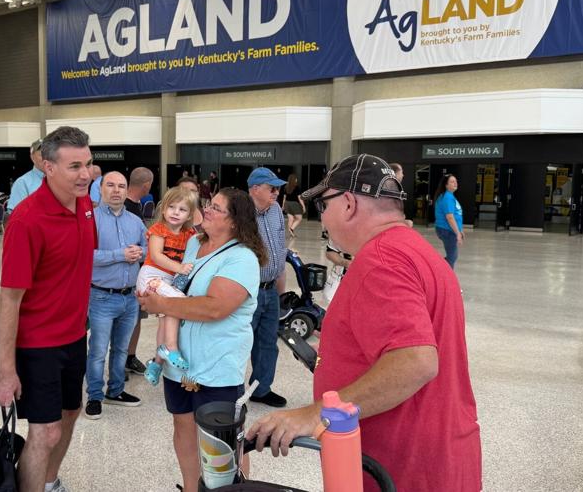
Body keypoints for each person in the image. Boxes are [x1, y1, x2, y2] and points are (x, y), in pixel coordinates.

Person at [246, 154, 481, 491]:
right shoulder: (416, 250)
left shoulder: (381, 260)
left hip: (402, 468)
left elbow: (417, 360)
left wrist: (313, 414)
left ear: (348, 203)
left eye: (323, 205)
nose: (322, 217)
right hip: (440, 456)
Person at [138, 188, 265, 491]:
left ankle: (233, 489)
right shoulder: (194, 243)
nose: (206, 209)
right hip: (179, 364)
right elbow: (177, 281)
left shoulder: (241, 258)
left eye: (216, 208)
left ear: (234, 221)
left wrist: (162, 304)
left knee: (223, 440)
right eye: (209, 204)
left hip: (216, 366)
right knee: (183, 426)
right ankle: (190, 487)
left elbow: (214, 308)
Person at [0, 126, 94, 492]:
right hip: (38, 345)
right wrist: (6, 371)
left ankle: (48, 482)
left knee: (70, 413)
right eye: (74, 166)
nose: (85, 174)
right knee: (46, 431)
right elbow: (9, 299)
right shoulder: (27, 220)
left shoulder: (85, 205)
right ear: (48, 167)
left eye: (88, 164)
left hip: (74, 336)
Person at [85, 171, 147, 420]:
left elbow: (148, 249)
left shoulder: (136, 221)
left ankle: (116, 391)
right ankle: (94, 396)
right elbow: (85, 255)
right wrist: (120, 255)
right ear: (100, 189)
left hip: (129, 298)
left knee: (121, 349)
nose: (116, 190)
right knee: (98, 351)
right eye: (110, 185)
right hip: (101, 296)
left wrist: (140, 253)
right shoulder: (91, 219)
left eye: (121, 186)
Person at [137, 186, 198, 385]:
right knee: (178, 303)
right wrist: (180, 268)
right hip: (152, 277)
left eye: (182, 209)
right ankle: (171, 348)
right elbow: (156, 256)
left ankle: (157, 363)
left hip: (168, 282)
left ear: (190, 214)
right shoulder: (158, 229)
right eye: (172, 207)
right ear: (163, 209)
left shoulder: (189, 233)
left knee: (166, 318)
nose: (176, 212)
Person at [246, 167, 288, 407]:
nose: (276, 192)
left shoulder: (276, 211)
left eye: (277, 188)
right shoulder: (241, 215)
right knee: (240, 342)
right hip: (247, 290)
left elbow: (280, 247)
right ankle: (228, 390)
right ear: (255, 189)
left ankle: (261, 389)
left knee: (268, 343)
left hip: (270, 289)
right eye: (271, 188)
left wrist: (280, 289)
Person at [124, 167, 155, 376]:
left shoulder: (134, 206)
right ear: (146, 185)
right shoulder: (126, 209)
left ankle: (130, 357)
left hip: (137, 275)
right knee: (127, 322)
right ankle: (122, 359)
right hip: (126, 279)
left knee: (136, 319)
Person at [7, 139, 45, 214]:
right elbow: (17, 215)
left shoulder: (59, 180)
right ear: (32, 157)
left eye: (50, 154)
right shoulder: (22, 183)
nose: (46, 158)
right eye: (42, 154)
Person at [434, 174, 464, 268]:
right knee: (452, 257)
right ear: (446, 185)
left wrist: (460, 229)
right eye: (452, 181)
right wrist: (457, 233)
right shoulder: (447, 197)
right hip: (447, 230)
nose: (455, 183)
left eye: (456, 181)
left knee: (452, 256)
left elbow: (456, 215)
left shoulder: (449, 196)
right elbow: (450, 217)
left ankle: (439, 270)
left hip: (449, 230)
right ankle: (441, 272)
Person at [388, 163, 414, 228]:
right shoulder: (389, 189)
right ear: (395, 173)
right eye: (401, 172)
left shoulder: (396, 188)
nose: (403, 175)